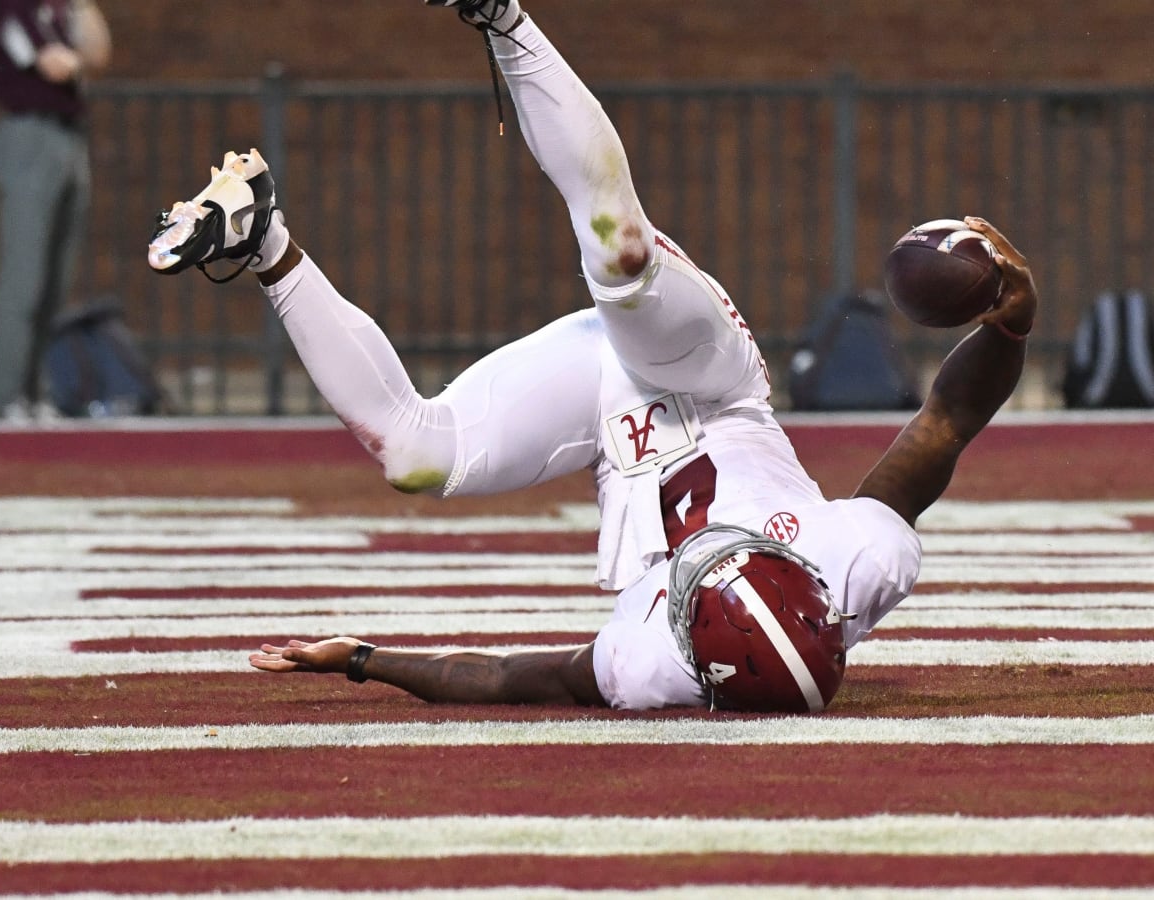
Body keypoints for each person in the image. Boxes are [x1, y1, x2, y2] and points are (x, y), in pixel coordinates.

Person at [148, 0, 1038, 712]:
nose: (712, 557)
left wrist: (369, 662)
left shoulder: (656, 666)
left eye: (700, 587)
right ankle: (500, 15)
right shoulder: (855, 564)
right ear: (809, 584)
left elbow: (505, 679)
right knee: (621, 257)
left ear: (692, 645)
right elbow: (943, 426)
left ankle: (262, 241)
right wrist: (1010, 325)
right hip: (708, 378)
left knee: (416, 455)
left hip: (605, 420)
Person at [0, 0, 112, 421]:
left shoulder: (56, 6)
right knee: (24, 277)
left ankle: (34, 393)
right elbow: (54, 65)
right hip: (28, 134)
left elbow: (98, 54)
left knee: (56, 280)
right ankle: (4, 398)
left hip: (69, 135)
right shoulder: (5, 6)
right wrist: (78, 63)